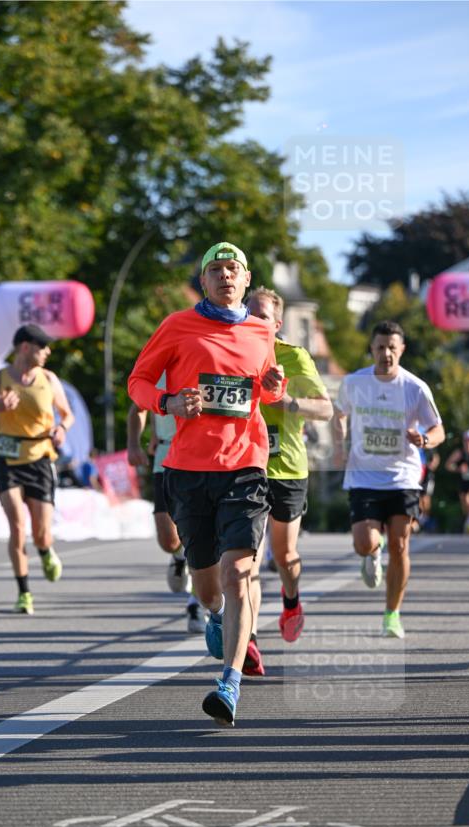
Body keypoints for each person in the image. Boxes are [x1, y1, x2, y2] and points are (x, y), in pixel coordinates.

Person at [128, 241, 286, 726]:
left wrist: (275, 386)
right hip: (188, 470)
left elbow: (266, 388)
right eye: (215, 268)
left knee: (240, 572)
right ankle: (214, 616)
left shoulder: (262, 331)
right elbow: (138, 381)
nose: (224, 275)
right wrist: (168, 403)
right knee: (207, 586)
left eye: (232, 268)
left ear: (244, 278)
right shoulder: (177, 326)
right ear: (204, 280)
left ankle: (229, 683)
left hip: (244, 466)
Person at [333, 320, 445, 639]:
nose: (386, 354)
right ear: (371, 349)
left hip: (403, 476)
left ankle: (392, 614)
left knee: (400, 543)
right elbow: (338, 412)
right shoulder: (354, 383)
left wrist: (425, 439)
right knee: (364, 542)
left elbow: (438, 429)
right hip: (363, 475)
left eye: (392, 348)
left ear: (402, 350)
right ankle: (372, 552)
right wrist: (339, 435)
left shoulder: (415, 388)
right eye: (380, 347)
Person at [244, 287, 332, 675]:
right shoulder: (233, 351)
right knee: (248, 559)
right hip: (247, 465)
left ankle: (292, 597)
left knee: (284, 556)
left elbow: (326, 409)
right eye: (249, 313)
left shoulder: (294, 357)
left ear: (277, 324)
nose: (254, 320)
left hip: (289, 469)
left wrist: (288, 403)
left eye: (262, 315)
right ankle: (247, 640)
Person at [0, 324, 74, 614]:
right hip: (7, 460)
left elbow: (67, 415)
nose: (47, 352)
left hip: (40, 459)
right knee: (17, 527)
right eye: (42, 346)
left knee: (41, 533)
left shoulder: (49, 379)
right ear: (25, 347)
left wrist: (61, 429)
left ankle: (46, 551)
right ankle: (24, 592)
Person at [127, 396, 207, 634]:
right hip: (165, 455)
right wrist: (134, 443)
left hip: (199, 457)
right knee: (168, 539)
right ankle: (179, 556)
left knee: (199, 536)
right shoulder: (159, 363)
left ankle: (196, 605)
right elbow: (138, 407)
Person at [444, 429, 469, 533]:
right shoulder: (459, 453)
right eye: (466, 440)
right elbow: (448, 465)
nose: (468, 443)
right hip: (464, 483)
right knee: (466, 504)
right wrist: (458, 468)